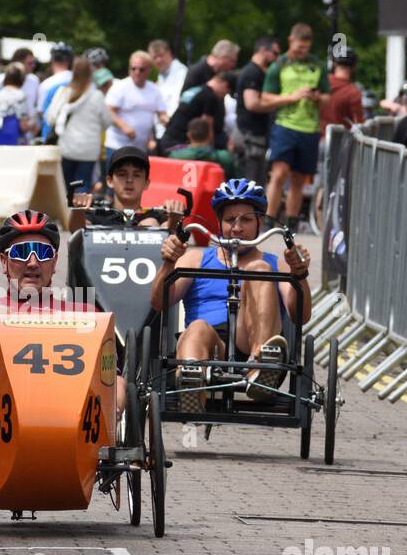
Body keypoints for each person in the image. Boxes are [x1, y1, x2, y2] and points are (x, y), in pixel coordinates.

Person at [0, 210, 117, 443]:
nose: (32, 262)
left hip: (75, 430)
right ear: (4, 261)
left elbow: (114, 380)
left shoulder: (87, 314)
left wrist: (114, 414)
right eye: (21, 253)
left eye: (42, 253)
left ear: (54, 262)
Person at [150, 179, 311, 410]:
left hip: (253, 342)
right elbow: (158, 303)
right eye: (229, 220)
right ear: (218, 223)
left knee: (258, 269)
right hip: (211, 348)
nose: (237, 228)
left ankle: (260, 370)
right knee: (197, 328)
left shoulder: (276, 264)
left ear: (260, 222)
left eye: (245, 220)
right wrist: (168, 264)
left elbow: (301, 316)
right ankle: (192, 386)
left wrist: (300, 274)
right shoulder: (196, 259)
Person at [259, 23, 329, 226]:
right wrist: (291, 97)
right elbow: (265, 97)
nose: (302, 52)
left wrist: (316, 97)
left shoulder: (317, 65)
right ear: (291, 41)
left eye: (306, 48)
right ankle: (268, 220)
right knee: (279, 174)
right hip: (285, 126)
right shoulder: (279, 65)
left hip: (309, 128)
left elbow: (327, 98)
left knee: (299, 179)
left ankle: (290, 222)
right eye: (299, 47)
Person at [69, 145, 185, 232]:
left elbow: (171, 236)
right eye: (122, 174)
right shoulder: (96, 213)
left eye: (136, 175)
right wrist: (78, 211)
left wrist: (175, 217)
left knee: (150, 223)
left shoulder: (157, 216)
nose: (129, 180)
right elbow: (77, 231)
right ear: (109, 181)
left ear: (146, 183)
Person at [45, 56, 110, 194]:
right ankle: (80, 214)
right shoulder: (96, 96)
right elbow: (106, 122)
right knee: (82, 188)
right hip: (89, 150)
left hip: (67, 147)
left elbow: (50, 118)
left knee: (65, 186)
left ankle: (65, 213)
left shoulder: (63, 93)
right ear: (90, 74)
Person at [105, 50, 168, 164]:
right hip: (117, 146)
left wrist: (167, 121)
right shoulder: (120, 87)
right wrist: (124, 126)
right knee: (116, 181)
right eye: (133, 69)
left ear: (149, 70)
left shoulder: (154, 90)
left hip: (140, 149)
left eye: (141, 69)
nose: (137, 72)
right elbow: (108, 111)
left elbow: (162, 113)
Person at [234, 37, 280, 183]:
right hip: (250, 136)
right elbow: (252, 103)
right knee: (249, 184)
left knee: (256, 182)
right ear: (262, 50)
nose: (276, 58)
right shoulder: (252, 72)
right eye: (274, 53)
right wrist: (282, 102)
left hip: (256, 136)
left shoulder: (259, 72)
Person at [159, 69, 232, 152]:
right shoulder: (210, 96)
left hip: (168, 137)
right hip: (181, 143)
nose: (225, 94)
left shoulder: (195, 90)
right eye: (227, 91)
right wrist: (210, 150)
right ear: (224, 84)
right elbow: (206, 124)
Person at [0, 47, 40, 135]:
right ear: (18, 64)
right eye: (30, 63)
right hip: (10, 133)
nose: (33, 66)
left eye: (34, 63)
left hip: (26, 134)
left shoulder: (34, 80)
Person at [167, 116, 235, 178]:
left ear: (188, 135)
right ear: (209, 135)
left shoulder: (175, 156)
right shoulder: (224, 157)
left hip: (185, 190)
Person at [0, 63, 34, 147]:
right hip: (14, 144)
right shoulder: (20, 96)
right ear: (21, 79)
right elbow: (23, 125)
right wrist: (32, 126)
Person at [37, 42, 75, 142]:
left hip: (50, 136)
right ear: (69, 61)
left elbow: (41, 112)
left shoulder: (46, 84)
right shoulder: (79, 81)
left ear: (52, 60)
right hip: (74, 136)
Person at [321, 48, 364, 130]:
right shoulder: (353, 93)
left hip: (314, 138)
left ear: (334, 64)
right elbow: (358, 124)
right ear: (354, 67)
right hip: (339, 140)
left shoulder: (321, 83)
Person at [148, 38, 190, 122]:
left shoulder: (181, 73)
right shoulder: (161, 76)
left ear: (169, 53)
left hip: (174, 126)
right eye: (154, 57)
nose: (158, 60)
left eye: (161, 55)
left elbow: (177, 103)